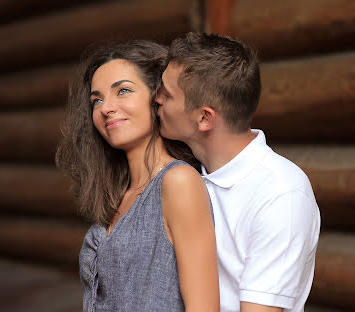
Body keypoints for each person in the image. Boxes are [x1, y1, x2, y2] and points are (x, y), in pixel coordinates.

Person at [156, 32, 320, 312]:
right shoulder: (184, 172)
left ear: (204, 117)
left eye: (166, 94)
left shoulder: (281, 195)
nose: (156, 98)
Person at [56, 40, 219, 311]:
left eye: (123, 91)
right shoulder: (118, 194)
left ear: (158, 98)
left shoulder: (178, 182)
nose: (106, 107)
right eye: (97, 99)